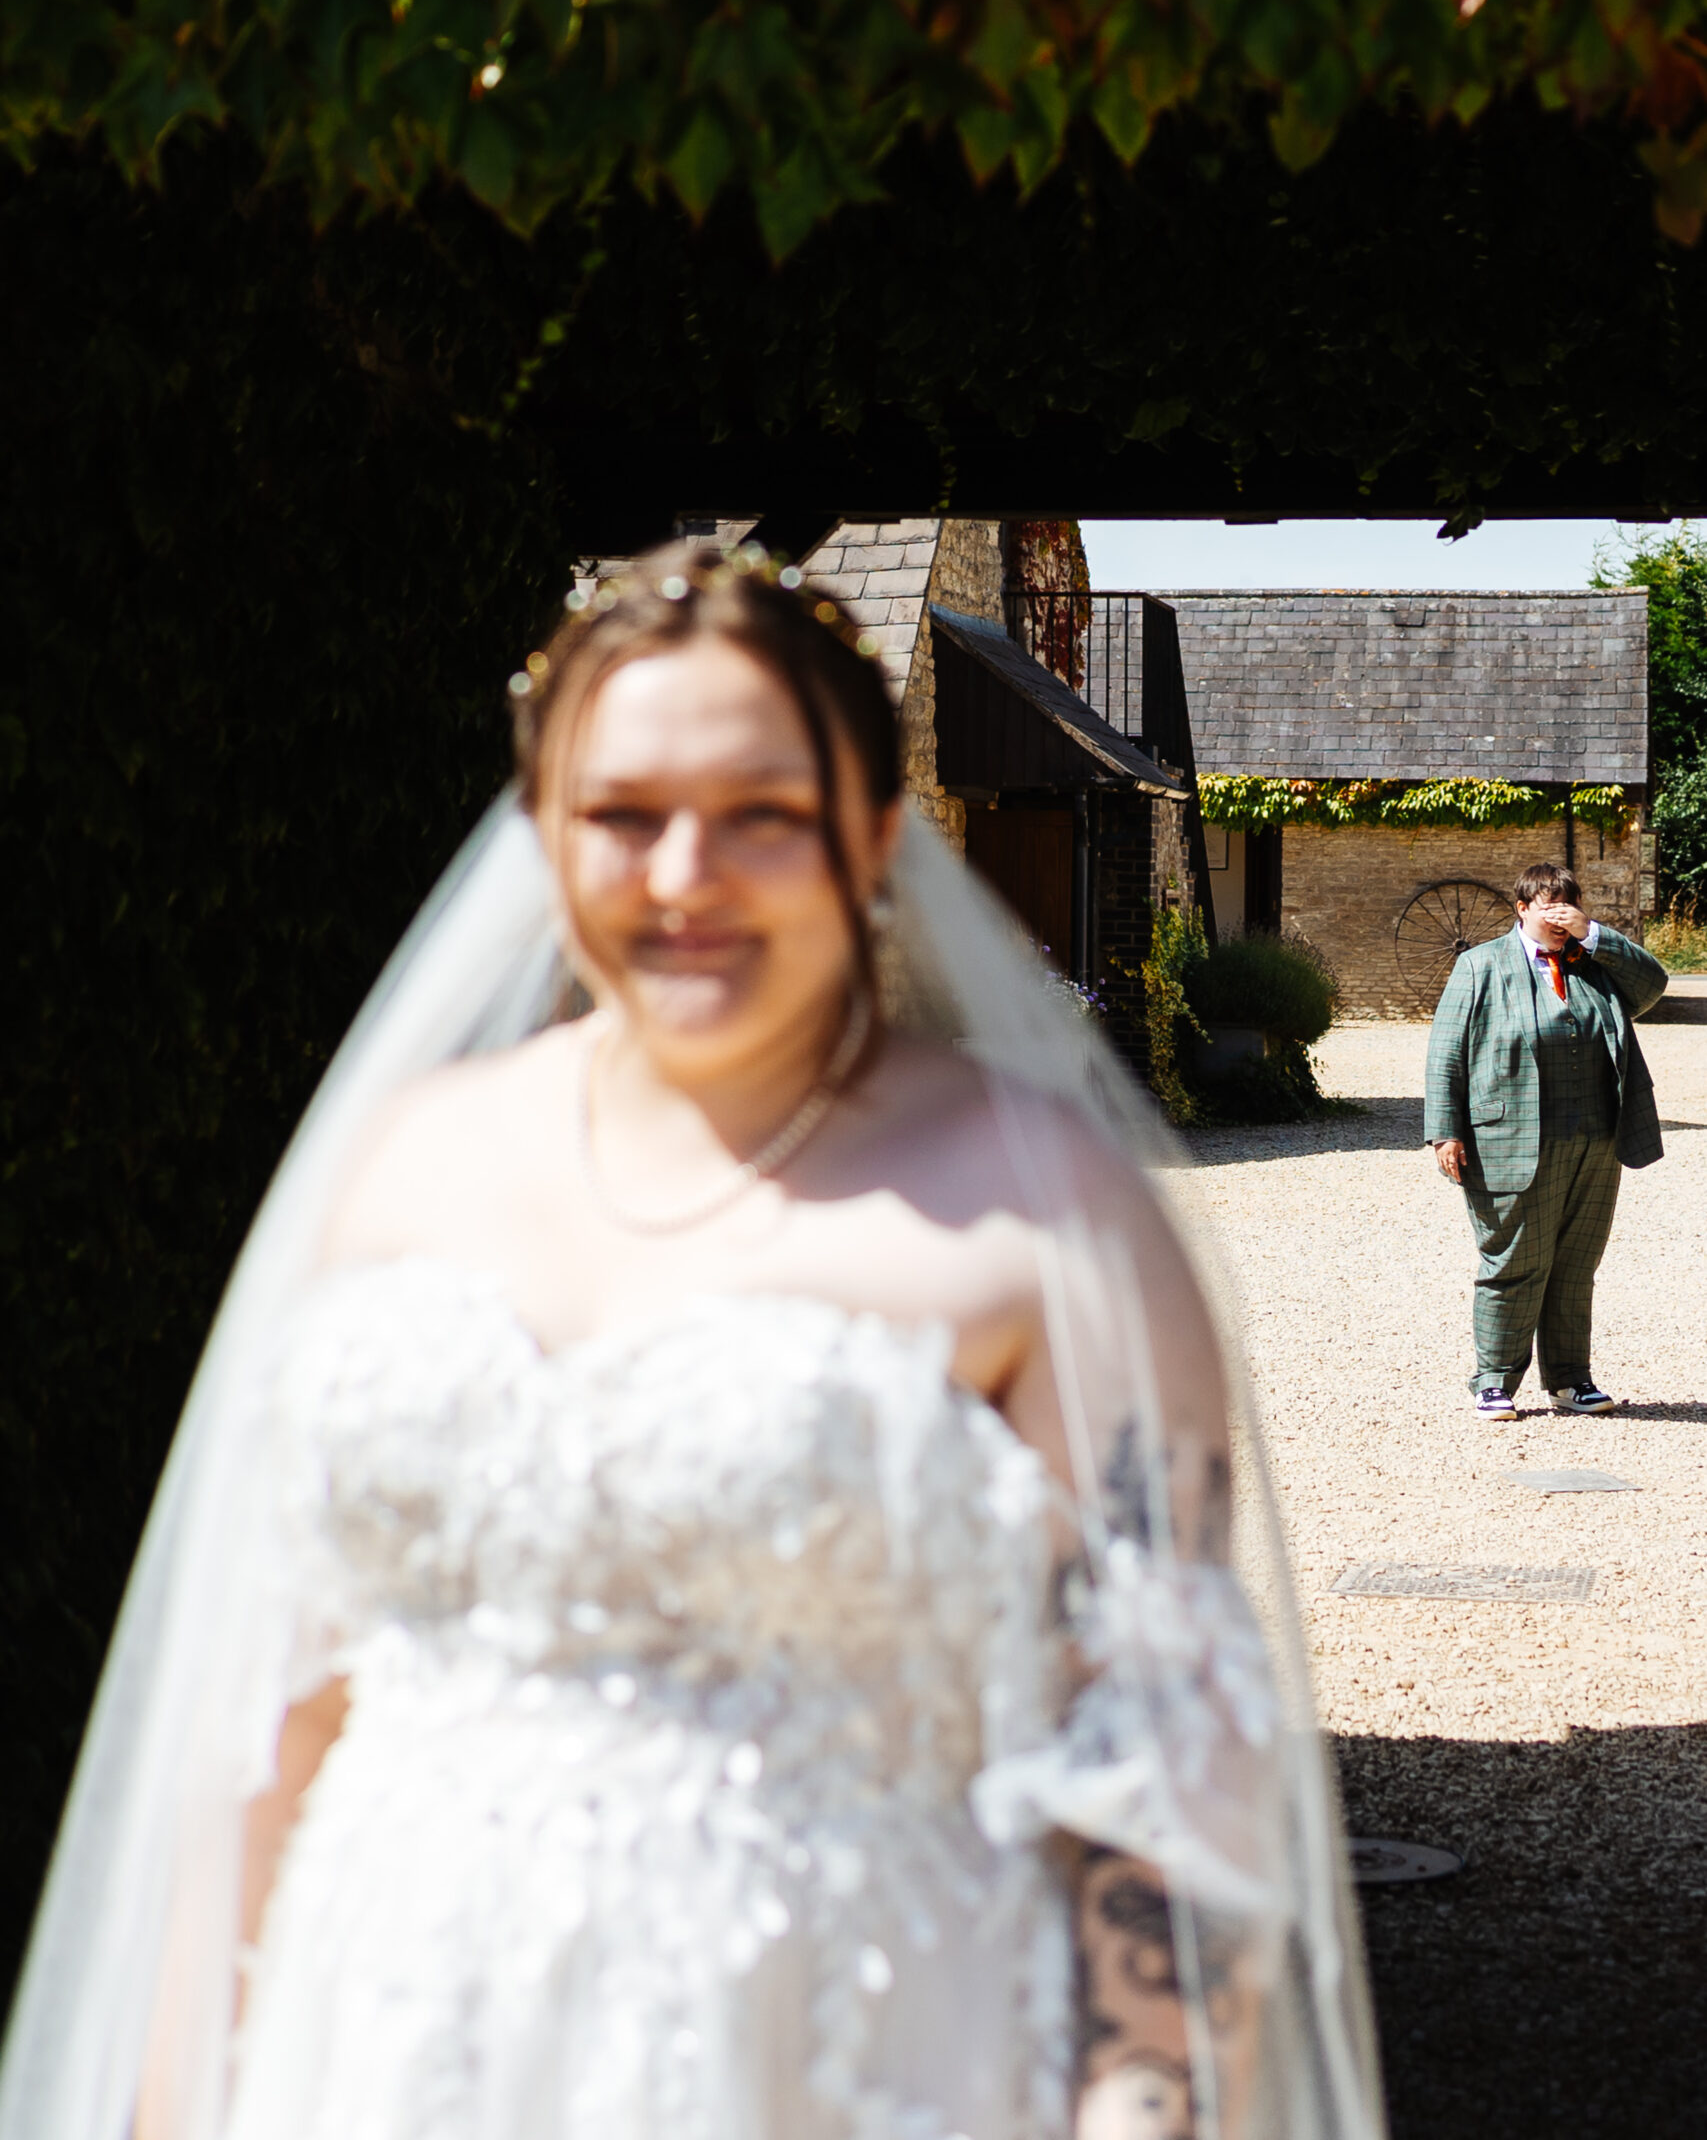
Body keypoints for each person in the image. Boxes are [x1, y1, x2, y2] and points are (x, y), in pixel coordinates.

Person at [0, 545, 1383, 2140]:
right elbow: (266, 1723)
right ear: (539, 832)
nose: (681, 877)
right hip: (379, 2050)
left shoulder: (1041, 1212)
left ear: (871, 839)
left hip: (839, 2062)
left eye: (759, 815)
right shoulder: (393, 1168)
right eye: (621, 814)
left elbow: (1163, 1778)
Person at [1424, 858, 1666, 1422]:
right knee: (1513, 1262)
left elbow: (1653, 986)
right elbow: (1445, 1053)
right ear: (1522, 908)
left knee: (1575, 1264)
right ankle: (1493, 1382)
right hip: (1510, 1139)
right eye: (1547, 905)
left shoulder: (1594, 964)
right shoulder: (1481, 966)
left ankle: (1570, 1381)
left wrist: (1594, 934)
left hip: (1596, 1140)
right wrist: (1444, 1131)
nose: (1558, 915)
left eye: (1567, 904)